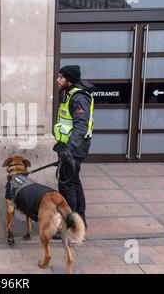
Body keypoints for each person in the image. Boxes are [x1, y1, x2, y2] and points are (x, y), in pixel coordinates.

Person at [53, 65, 94, 233]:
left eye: (61, 77)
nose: (57, 79)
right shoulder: (70, 94)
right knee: (74, 182)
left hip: (73, 149)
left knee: (67, 186)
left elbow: (81, 126)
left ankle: (71, 226)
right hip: (69, 147)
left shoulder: (78, 98)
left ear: (69, 79)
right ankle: (80, 222)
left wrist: (68, 148)